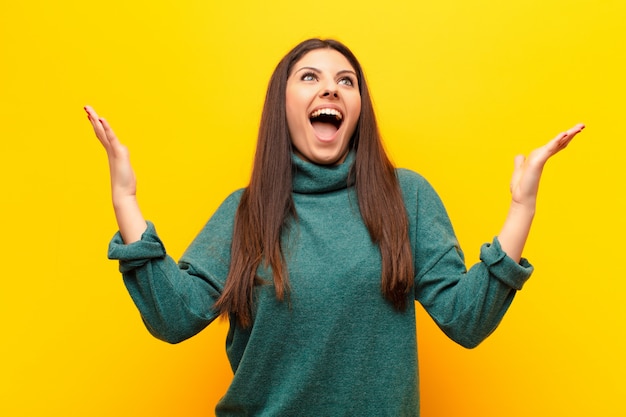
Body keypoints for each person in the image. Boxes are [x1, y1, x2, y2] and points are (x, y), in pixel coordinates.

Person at [85, 38, 584, 416]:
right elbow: (173, 317)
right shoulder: (247, 212)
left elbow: (466, 319)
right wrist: (125, 200)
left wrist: (522, 208)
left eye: (346, 81)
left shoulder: (404, 197)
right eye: (310, 77)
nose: (330, 88)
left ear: (358, 108)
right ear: (281, 105)